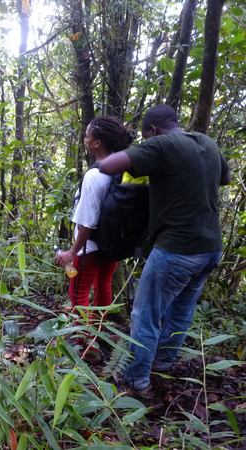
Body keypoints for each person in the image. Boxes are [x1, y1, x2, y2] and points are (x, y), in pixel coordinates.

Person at [99, 105, 231, 395]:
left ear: (153, 130)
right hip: (209, 247)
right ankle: (164, 362)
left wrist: (140, 154)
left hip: (177, 248)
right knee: (181, 310)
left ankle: (136, 380)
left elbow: (108, 165)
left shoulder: (161, 144)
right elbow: (226, 178)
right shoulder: (206, 142)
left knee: (146, 314)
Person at [55, 116, 134, 314]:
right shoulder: (124, 170)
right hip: (113, 245)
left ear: (98, 143)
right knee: (103, 285)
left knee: (78, 294)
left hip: (89, 249)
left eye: (87, 136)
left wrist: (72, 252)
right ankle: (100, 334)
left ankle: (83, 342)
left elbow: (87, 223)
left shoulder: (94, 175)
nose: (85, 139)